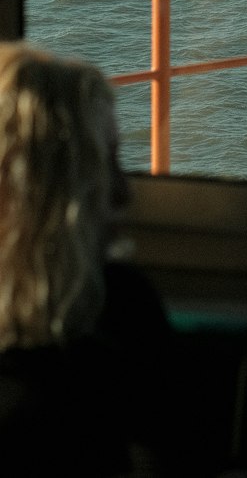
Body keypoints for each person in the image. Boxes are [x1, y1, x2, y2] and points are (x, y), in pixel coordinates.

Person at [0, 42, 176, 476]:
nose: (124, 194)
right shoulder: (120, 313)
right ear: (42, 196)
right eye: (103, 168)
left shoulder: (125, 305)